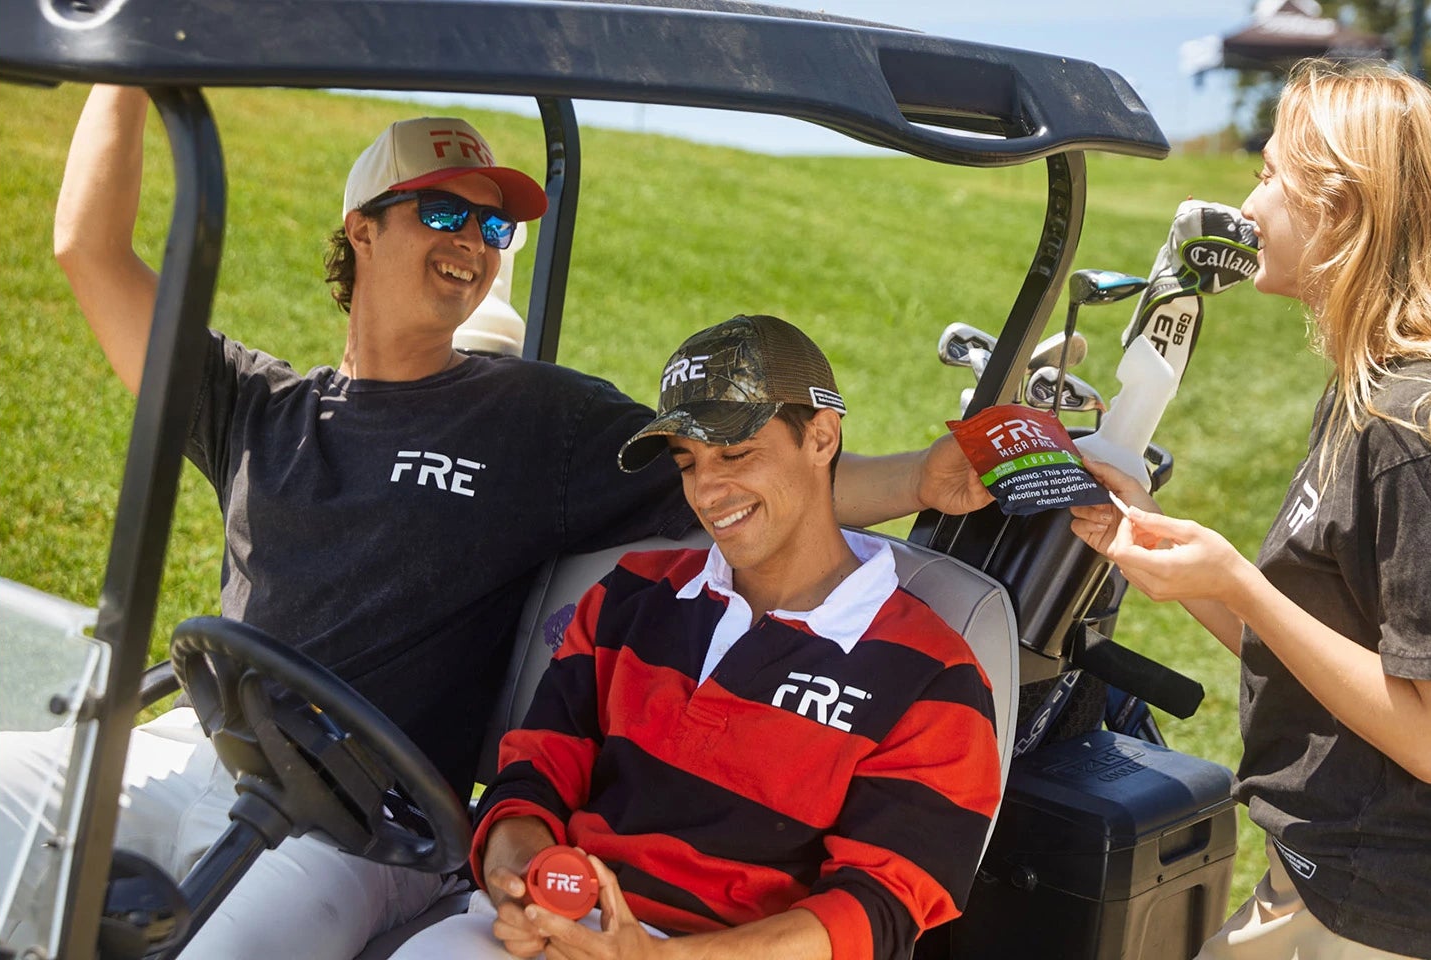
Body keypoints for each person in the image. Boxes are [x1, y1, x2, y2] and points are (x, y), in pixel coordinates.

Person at [0, 85, 993, 960]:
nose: (472, 242)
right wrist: (134, 67)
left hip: (363, 820)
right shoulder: (258, 407)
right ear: (360, 229)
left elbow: (743, 473)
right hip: (197, 747)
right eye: (442, 211)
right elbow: (88, 250)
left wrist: (922, 476)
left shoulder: (535, 420)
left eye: (493, 226)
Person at [1067, 61, 1431, 960]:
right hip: (1330, 885)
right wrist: (1161, 544)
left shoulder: (1417, 429)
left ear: (1341, 208)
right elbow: (1323, 659)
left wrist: (1240, 583)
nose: (1247, 205)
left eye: (1268, 176)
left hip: (1397, 916)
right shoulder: (1367, 399)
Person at [392, 315, 1002, 960]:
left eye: (735, 454)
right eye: (688, 463)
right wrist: (521, 884)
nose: (707, 491)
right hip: (556, 927)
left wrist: (663, 958)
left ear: (821, 437)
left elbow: (877, 912)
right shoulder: (630, 595)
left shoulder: (934, 675)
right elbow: (532, 777)